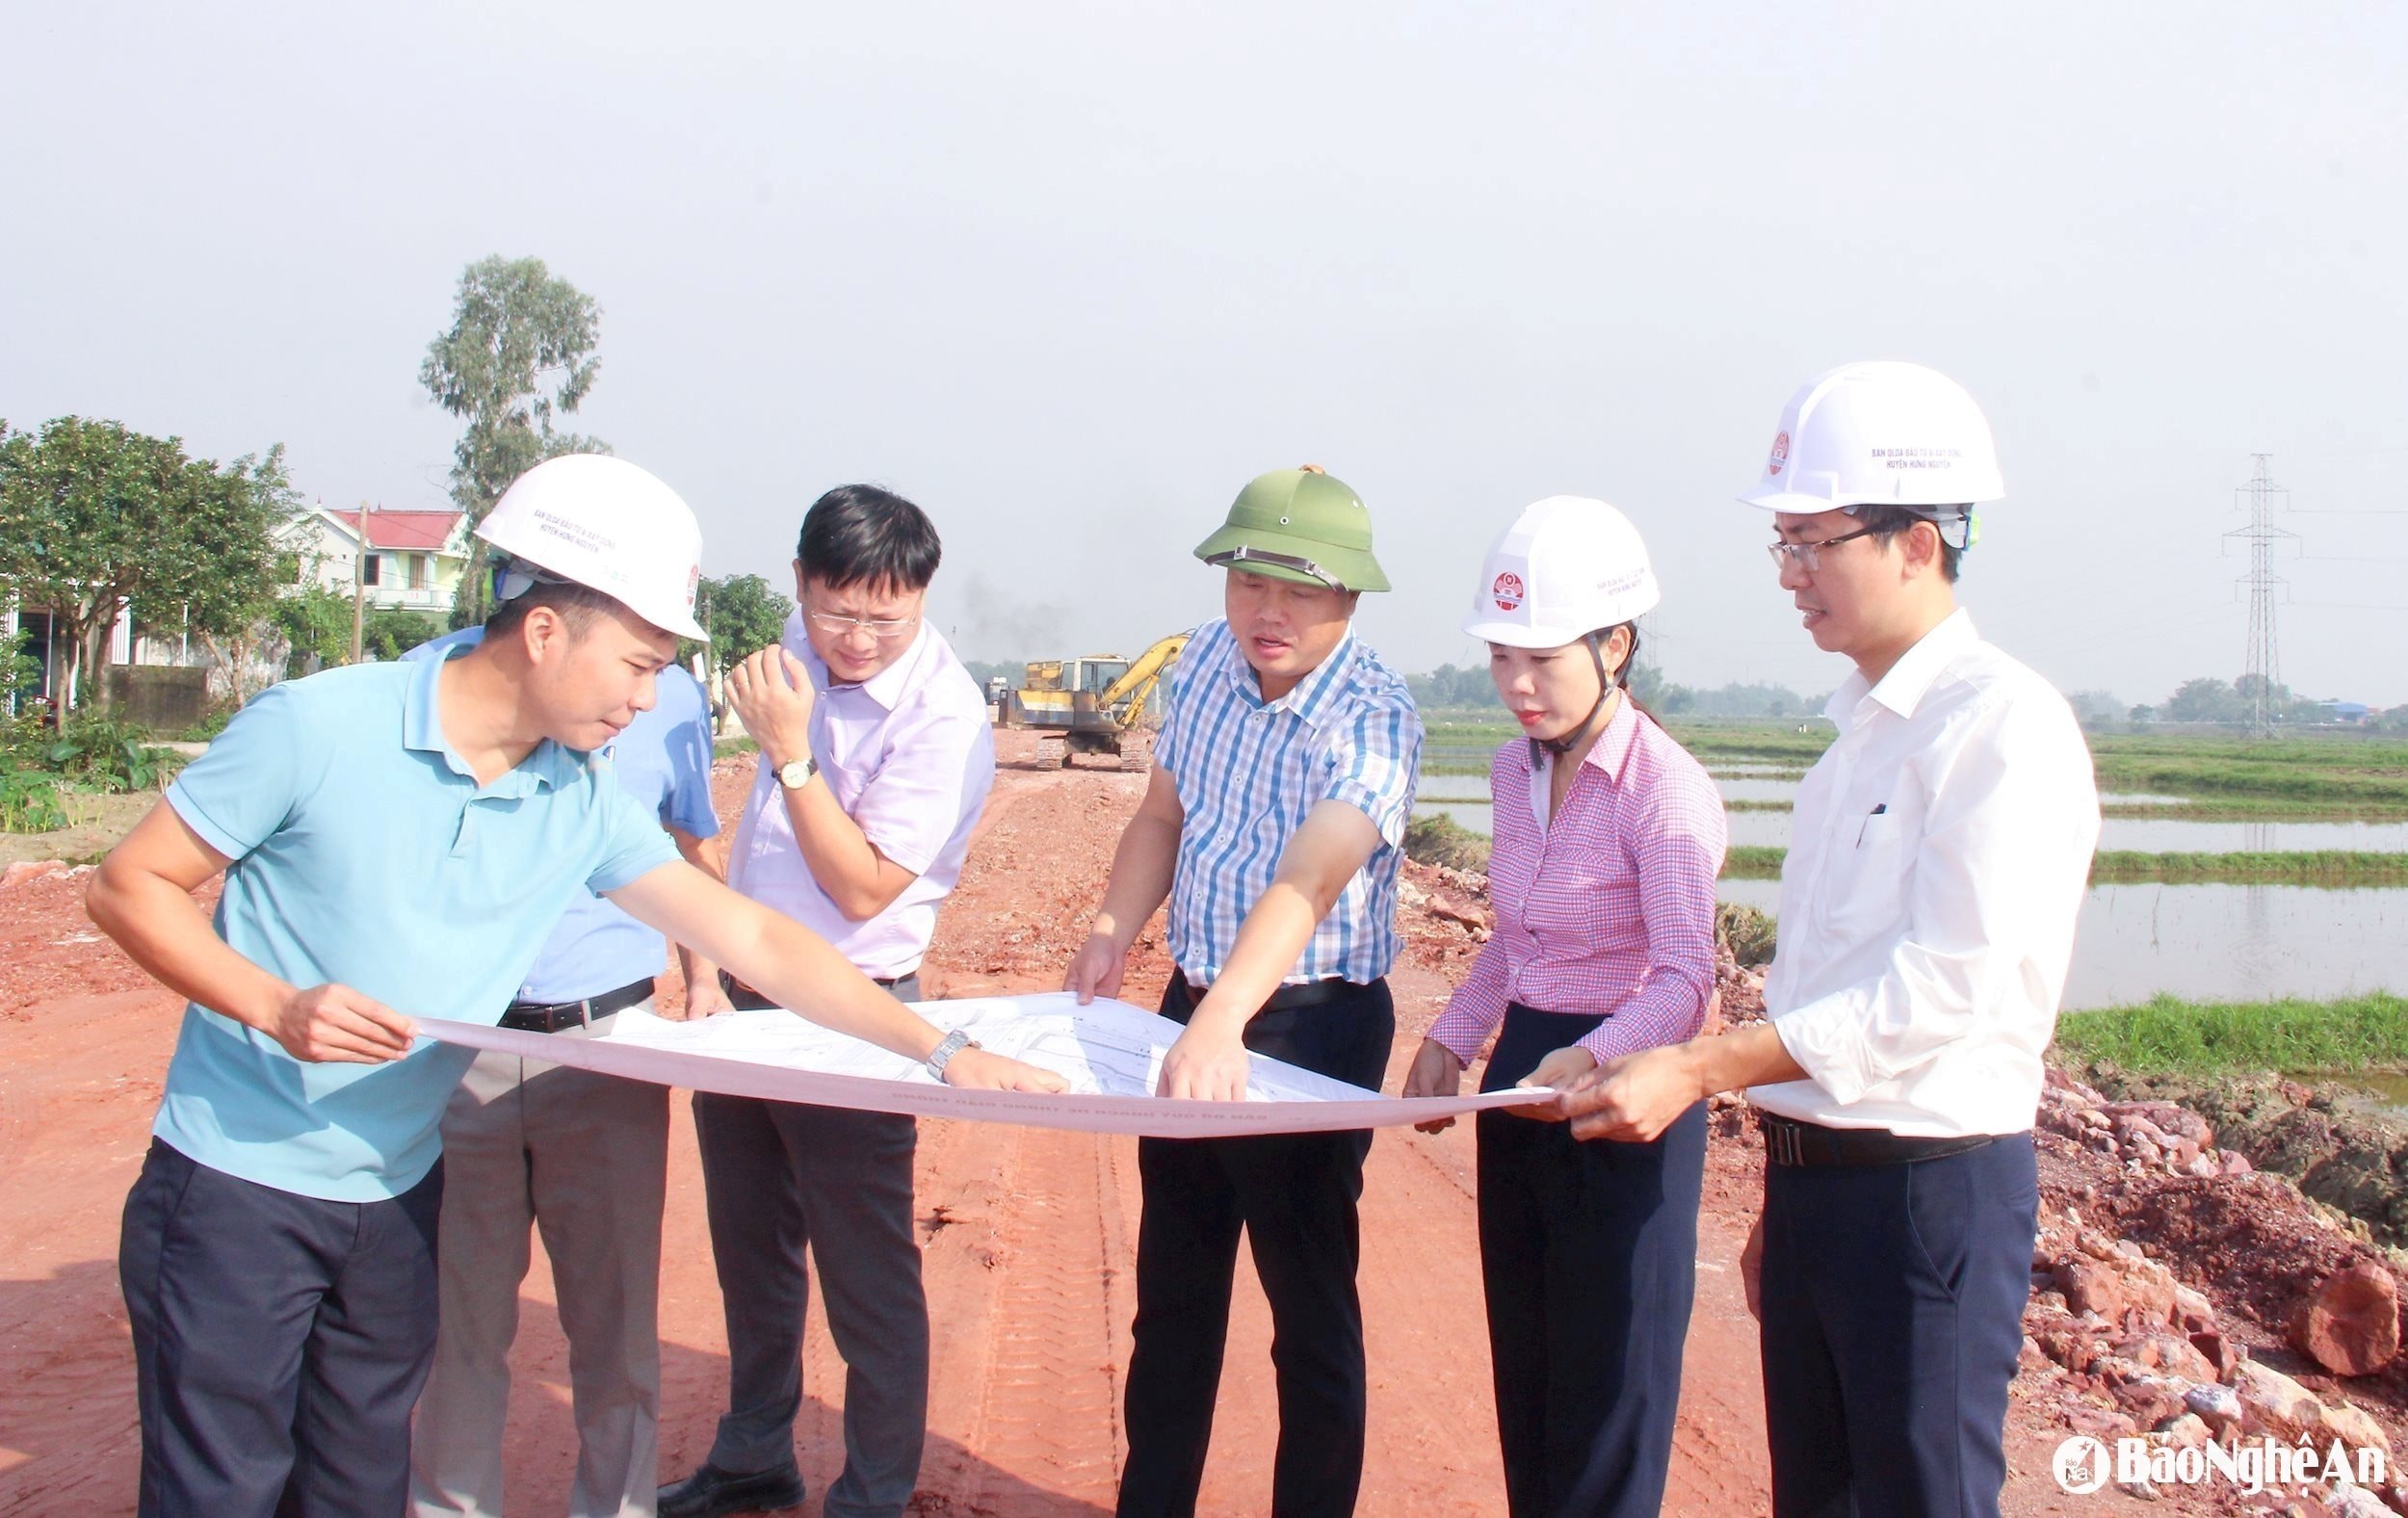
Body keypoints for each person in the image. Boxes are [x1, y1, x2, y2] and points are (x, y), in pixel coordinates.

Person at [92, 455, 1063, 1518]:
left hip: (395, 1197)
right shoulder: (316, 725)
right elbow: (127, 885)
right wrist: (274, 1005)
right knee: (220, 1488)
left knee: (354, 1484)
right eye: (637, 666)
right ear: (546, 631)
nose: (650, 700)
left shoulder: (580, 796)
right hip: (240, 1189)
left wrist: (943, 1051)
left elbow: (756, 937)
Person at [1555, 362, 2101, 1517]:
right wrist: (1784, 1195)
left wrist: (1698, 1066)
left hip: (1927, 1196)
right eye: (1784, 544)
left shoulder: (2000, 727)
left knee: (1921, 1494)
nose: (1790, 574)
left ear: (1919, 542)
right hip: (1822, 1189)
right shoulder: (1856, 736)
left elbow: (1935, 992)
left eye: (1814, 542)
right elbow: (1825, 984)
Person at [1065, 464, 1422, 1518]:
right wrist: (1111, 931)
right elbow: (1161, 817)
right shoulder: (1204, 667)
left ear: (1348, 598)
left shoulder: (1372, 715)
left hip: (1312, 1026)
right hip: (1194, 1011)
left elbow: (1312, 877)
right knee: (1172, 1297)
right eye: (1249, 582)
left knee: (1308, 1312)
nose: (1269, 611)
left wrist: (1223, 1018)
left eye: (1299, 591)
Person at [658, 485, 995, 1518]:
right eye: (834, 611)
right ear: (800, 583)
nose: (854, 640)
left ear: (923, 597)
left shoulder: (944, 718)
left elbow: (859, 887)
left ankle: (873, 1495)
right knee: (751, 1254)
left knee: (867, 1275)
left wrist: (792, 751)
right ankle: (754, 1454)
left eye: (885, 620)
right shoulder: (792, 646)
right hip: (748, 1001)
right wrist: (708, 975)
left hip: (856, 1016)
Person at [1400, 496, 1725, 1518]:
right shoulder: (1513, 770)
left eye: (1541, 659)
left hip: (1625, 1097)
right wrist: (1454, 1037)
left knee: (1608, 1385)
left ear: (1614, 646)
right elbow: (1517, 933)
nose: (1517, 686)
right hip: (1522, 1086)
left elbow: (1687, 978)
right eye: (1502, 658)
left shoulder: (1663, 787)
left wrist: (1592, 1054)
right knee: (1531, 1372)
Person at [406, 595, 728, 1518]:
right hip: (459, 1045)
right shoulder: (432, 677)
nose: (638, 691)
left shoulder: (667, 697)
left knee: (615, 1324)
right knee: (459, 1324)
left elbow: (687, 840)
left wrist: (703, 975)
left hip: (606, 1050)